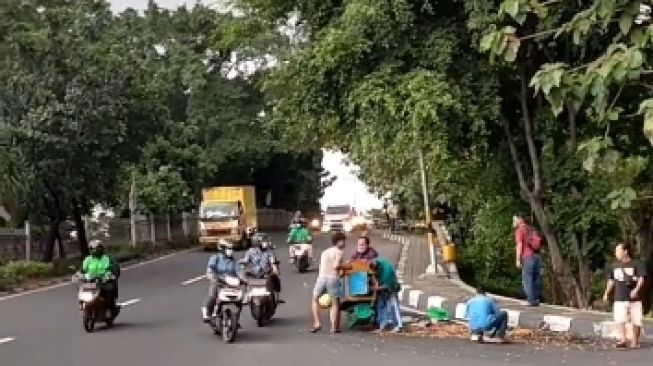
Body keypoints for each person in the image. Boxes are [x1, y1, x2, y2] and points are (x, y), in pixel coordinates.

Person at [603, 242, 646, 348]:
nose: (616, 253)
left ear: (625, 251)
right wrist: (606, 293)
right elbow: (611, 280)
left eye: (618, 250)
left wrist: (636, 290)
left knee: (636, 320)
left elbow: (642, 278)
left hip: (634, 298)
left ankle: (635, 341)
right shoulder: (614, 266)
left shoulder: (637, 264)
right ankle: (622, 339)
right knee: (620, 319)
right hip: (619, 296)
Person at [311, 231, 346, 334]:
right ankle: (334, 327)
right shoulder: (339, 252)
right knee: (335, 303)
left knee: (314, 300)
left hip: (321, 278)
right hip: (332, 278)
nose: (344, 243)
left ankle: (317, 322)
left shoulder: (325, 252)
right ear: (339, 242)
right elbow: (336, 266)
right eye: (343, 241)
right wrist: (344, 267)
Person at [80, 240, 120, 313]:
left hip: (104, 281)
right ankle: (82, 304)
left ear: (102, 249)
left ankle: (109, 308)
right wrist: (78, 275)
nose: (95, 250)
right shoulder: (87, 259)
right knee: (82, 290)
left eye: (97, 248)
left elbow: (114, 268)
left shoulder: (107, 258)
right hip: (91, 282)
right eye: (93, 248)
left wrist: (112, 274)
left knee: (110, 289)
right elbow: (82, 270)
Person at [241, 236, 283, 303]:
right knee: (244, 280)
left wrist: (274, 267)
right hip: (253, 272)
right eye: (263, 242)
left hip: (266, 271)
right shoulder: (250, 251)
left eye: (266, 242)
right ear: (258, 243)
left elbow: (272, 259)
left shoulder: (269, 251)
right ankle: (246, 296)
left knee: (276, 279)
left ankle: (277, 298)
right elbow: (246, 260)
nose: (265, 244)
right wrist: (243, 265)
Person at [202, 246, 239, 322]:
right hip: (217, 281)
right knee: (213, 296)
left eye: (231, 249)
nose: (230, 251)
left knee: (239, 300)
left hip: (230, 283)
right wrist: (211, 275)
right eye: (228, 249)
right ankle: (208, 313)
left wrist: (243, 279)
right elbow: (210, 269)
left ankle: (235, 319)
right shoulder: (215, 258)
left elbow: (239, 271)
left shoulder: (233, 261)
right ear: (223, 250)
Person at [513, 215, 541, 307]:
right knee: (535, 279)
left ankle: (530, 300)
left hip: (528, 257)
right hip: (536, 256)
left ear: (520, 219)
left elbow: (519, 244)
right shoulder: (531, 229)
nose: (513, 221)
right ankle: (535, 299)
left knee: (527, 279)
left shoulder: (520, 230)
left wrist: (517, 259)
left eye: (515, 219)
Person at [371, 257, 402, 332]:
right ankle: (383, 324)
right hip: (381, 287)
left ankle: (398, 325)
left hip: (391, 288)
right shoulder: (375, 263)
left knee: (393, 306)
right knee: (381, 305)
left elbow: (388, 285)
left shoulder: (386, 271)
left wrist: (377, 288)